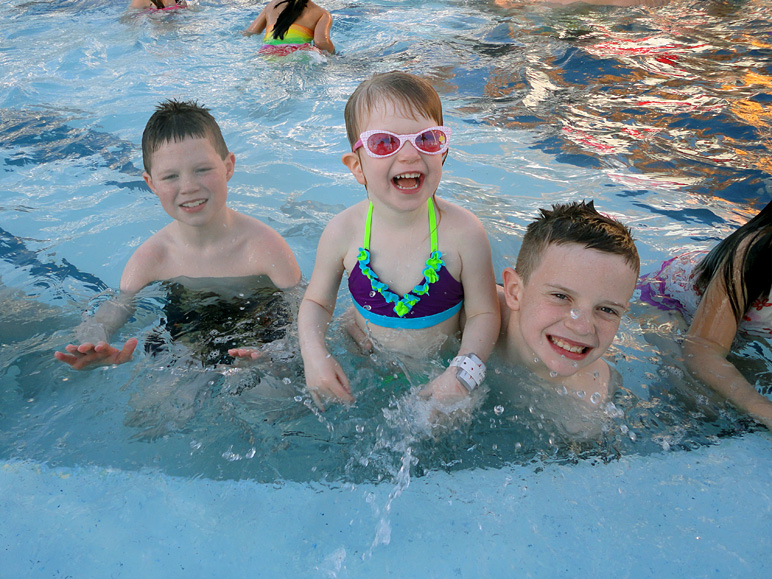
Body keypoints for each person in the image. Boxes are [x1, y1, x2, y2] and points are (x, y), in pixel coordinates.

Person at [298, 71, 500, 411]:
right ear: (356, 167)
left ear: (443, 154)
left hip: (441, 368)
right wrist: (314, 357)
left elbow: (483, 313)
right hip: (367, 359)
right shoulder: (343, 231)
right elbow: (316, 304)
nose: (409, 155)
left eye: (427, 139)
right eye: (384, 142)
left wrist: (463, 374)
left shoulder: (464, 233)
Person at [54, 99, 301, 370]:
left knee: (271, 390)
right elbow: (116, 308)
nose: (189, 187)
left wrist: (279, 352)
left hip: (261, 330)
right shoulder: (152, 257)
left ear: (228, 167)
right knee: (164, 396)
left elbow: (302, 308)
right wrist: (94, 341)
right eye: (171, 176)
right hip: (187, 332)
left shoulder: (265, 246)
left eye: (203, 170)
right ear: (151, 184)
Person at [639, 199, 772, 429]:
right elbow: (702, 349)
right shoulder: (752, 251)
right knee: (704, 405)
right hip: (669, 303)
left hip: (737, 326)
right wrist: (763, 409)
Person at [496, 201, 640, 405]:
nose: (582, 327)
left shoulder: (592, 402)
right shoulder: (462, 316)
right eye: (561, 296)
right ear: (514, 291)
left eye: (607, 309)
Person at [244, 0, 334, 55]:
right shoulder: (322, 14)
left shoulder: (271, 5)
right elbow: (321, 42)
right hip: (298, 54)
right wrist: (334, 54)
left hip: (267, 52)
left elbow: (250, 32)